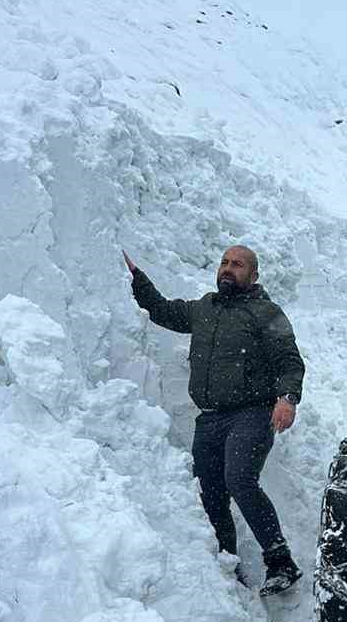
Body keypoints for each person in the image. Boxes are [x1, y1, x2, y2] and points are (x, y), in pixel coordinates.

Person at [124, 244, 305, 595]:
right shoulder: (204, 308)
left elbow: (289, 361)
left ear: (253, 275)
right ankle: (227, 564)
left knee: (239, 479)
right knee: (211, 494)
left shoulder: (266, 312)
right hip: (209, 419)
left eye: (237, 264)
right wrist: (136, 279)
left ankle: (280, 559)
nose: (227, 268)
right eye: (224, 262)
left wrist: (287, 398)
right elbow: (162, 310)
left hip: (252, 413)